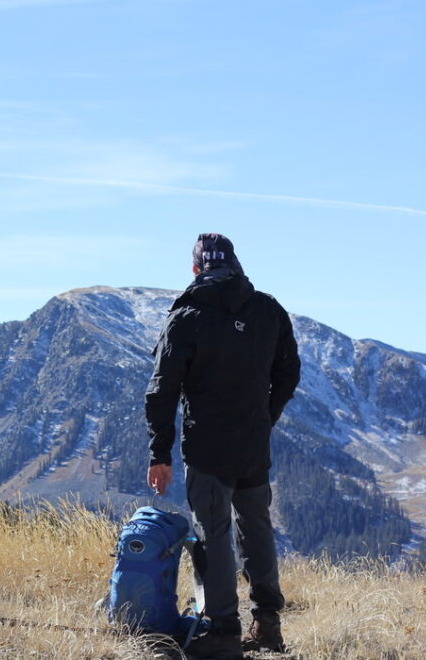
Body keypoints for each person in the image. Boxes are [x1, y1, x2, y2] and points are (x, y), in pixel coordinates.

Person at [145, 233, 300, 660]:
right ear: (235, 264)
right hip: (253, 443)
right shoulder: (268, 309)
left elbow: (162, 391)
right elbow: (289, 372)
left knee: (212, 535)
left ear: (196, 269)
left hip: (208, 447)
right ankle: (267, 625)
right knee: (257, 529)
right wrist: (265, 416)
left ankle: (224, 631)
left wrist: (160, 453)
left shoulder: (187, 316)